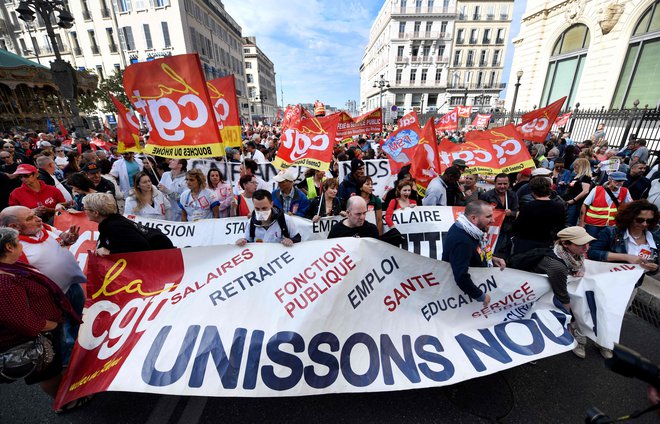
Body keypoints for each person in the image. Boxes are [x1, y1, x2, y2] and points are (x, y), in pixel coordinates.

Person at [0, 227, 89, 411]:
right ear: (9, 247)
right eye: (18, 243)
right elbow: (22, 321)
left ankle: (65, 392)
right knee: (48, 373)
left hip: (44, 329)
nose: (22, 247)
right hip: (35, 337)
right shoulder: (4, 283)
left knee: (52, 368)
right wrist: (52, 325)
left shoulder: (10, 266)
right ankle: (64, 402)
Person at [442, 200, 506, 306]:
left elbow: (476, 250)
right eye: (488, 216)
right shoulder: (462, 241)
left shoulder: (469, 230)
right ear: (473, 218)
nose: (493, 220)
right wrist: (480, 296)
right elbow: (461, 277)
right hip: (463, 297)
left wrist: (493, 259)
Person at [587, 200, 660, 284]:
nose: (644, 224)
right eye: (640, 220)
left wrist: (654, 268)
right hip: (606, 281)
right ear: (630, 217)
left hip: (632, 286)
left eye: (649, 221)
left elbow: (655, 265)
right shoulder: (611, 232)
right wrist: (626, 257)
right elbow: (592, 253)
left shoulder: (655, 240)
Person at [511, 177, 566, 255]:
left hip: (526, 245)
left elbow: (517, 227)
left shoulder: (528, 206)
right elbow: (561, 226)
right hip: (547, 244)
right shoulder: (559, 206)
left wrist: (516, 217)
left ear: (533, 191)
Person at [83, 193, 152, 255]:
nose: (84, 211)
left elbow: (142, 247)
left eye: (85, 209)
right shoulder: (106, 224)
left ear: (95, 213)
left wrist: (110, 253)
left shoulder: (116, 227)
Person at [235, 190, 300, 246]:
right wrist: (242, 242)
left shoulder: (286, 220)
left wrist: (291, 240)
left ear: (271, 204)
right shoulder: (251, 222)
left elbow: (297, 238)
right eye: (257, 209)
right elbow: (248, 241)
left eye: (264, 208)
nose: (261, 212)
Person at [580, 171, 633, 238]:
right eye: (617, 181)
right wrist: (582, 223)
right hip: (593, 224)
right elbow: (584, 205)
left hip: (612, 225)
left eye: (622, 181)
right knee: (590, 244)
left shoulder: (625, 191)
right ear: (609, 179)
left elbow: (631, 206)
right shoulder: (597, 189)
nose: (619, 183)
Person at [479, 173, 519, 254]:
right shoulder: (486, 196)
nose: (502, 186)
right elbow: (480, 212)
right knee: (492, 251)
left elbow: (516, 211)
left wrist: (511, 213)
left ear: (509, 184)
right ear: (494, 183)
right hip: (492, 230)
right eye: (499, 184)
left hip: (508, 229)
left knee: (508, 253)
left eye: (505, 184)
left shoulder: (513, 195)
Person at [562, 158, 593, 226]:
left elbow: (585, 191)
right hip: (569, 201)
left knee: (570, 223)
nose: (574, 167)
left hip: (575, 204)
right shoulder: (577, 176)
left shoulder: (586, 177)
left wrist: (573, 200)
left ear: (582, 166)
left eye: (576, 165)